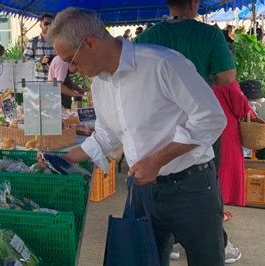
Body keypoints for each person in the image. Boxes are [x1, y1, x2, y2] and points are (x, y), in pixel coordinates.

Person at [48, 7, 227, 265]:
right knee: (141, 259)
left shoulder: (163, 64)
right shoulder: (100, 84)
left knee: (206, 260)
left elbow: (211, 117)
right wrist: (62, 160)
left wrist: (157, 160)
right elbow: (105, 136)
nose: (71, 70)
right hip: (143, 190)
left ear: (89, 43)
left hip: (191, 186)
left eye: (70, 60)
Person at [134, 0, 244, 263]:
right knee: (202, 185)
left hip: (158, 129)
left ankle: (168, 241)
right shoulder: (208, 34)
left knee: (159, 183)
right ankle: (212, 240)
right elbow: (227, 77)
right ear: (195, 3)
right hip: (198, 124)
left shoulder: (147, 37)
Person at [23, 14, 56, 81]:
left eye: (51, 24)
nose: (49, 26)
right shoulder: (33, 42)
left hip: (55, 81)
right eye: (46, 24)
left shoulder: (58, 41)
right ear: (40, 25)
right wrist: (39, 61)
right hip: (39, 81)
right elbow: (24, 62)